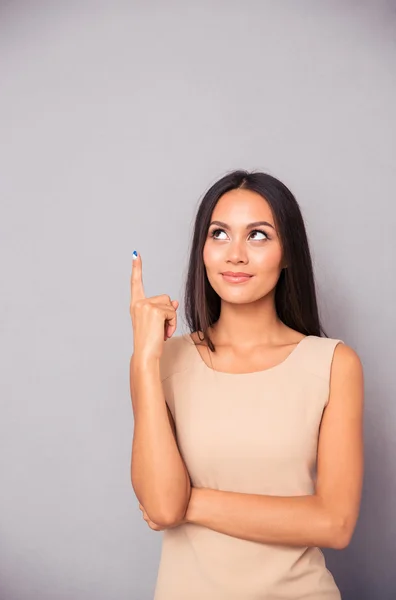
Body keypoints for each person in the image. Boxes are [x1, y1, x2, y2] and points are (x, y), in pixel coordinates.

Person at [129, 169, 364, 600]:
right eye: (220, 234)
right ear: (203, 250)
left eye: (258, 236)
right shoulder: (161, 363)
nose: (235, 254)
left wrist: (190, 503)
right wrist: (144, 358)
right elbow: (162, 507)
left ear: (288, 252)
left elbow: (335, 523)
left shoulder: (334, 364)